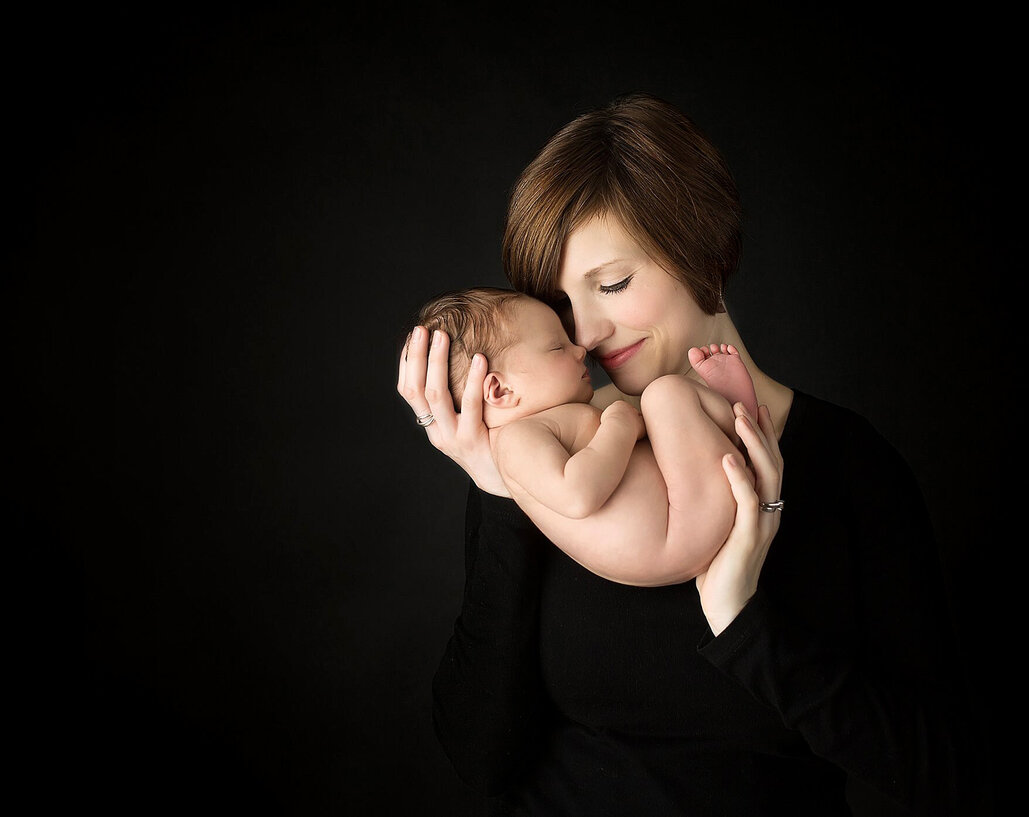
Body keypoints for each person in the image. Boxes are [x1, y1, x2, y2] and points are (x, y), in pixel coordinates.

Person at [398, 93, 987, 815]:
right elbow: (478, 758)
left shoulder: (851, 467)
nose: (584, 334)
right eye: (560, 308)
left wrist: (746, 624)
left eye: (612, 283)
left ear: (699, 246)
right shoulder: (549, 452)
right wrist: (498, 496)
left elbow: (946, 772)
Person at [411, 286, 761, 587]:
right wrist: (621, 424)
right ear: (500, 389)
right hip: (680, 529)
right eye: (557, 347)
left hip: (687, 517)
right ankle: (740, 418)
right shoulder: (516, 441)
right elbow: (578, 495)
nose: (580, 349)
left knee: (665, 399)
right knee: (664, 393)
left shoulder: (548, 425)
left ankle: (740, 425)